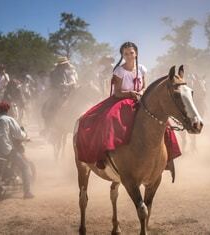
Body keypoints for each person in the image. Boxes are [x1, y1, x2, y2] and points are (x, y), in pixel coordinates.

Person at [76, 42, 181, 172]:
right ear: (122, 55)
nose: (129, 56)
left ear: (136, 53)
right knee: (109, 119)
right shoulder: (119, 71)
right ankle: (103, 156)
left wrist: (142, 92)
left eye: (131, 53)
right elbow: (117, 92)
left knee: (165, 121)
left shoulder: (142, 68)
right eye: (126, 54)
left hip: (141, 99)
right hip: (122, 100)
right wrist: (131, 93)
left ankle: (168, 159)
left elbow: (144, 87)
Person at [0, 102, 34, 199]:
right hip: (6, 149)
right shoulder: (9, 119)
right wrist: (26, 137)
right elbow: (18, 134)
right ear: (7, 111)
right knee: (25, 166)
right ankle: (27, 192)